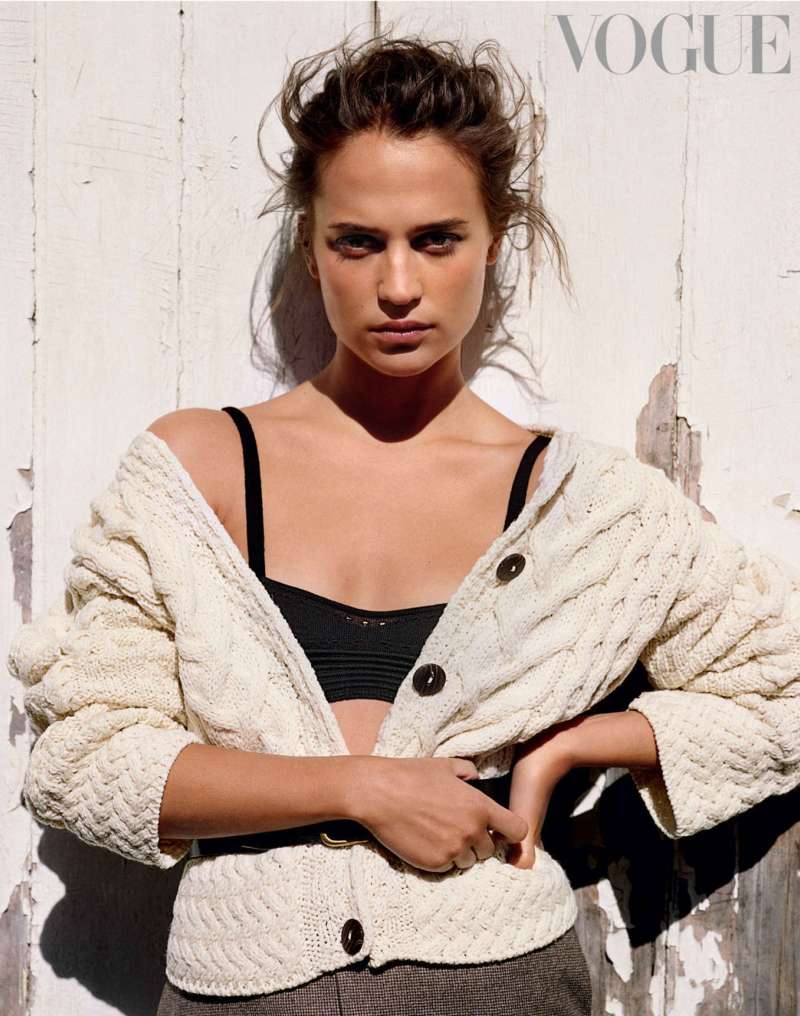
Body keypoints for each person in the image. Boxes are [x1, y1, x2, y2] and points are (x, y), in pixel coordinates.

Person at [9, 30, 800, 1016]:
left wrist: (574, 747)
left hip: (501, 982)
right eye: (358, 241)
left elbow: (779, 689)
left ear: (494, 241)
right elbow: (86, 761)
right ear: (311, 246)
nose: (397, 286)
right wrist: (359, 786)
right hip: (239, 989)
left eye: (436, 239)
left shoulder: (585, 507)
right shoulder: (192, 476)